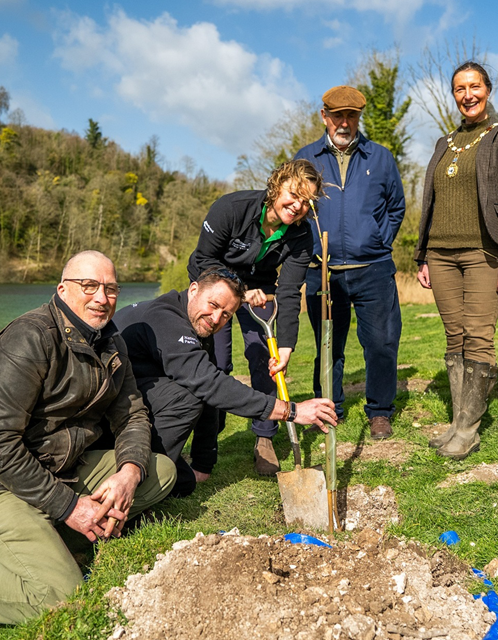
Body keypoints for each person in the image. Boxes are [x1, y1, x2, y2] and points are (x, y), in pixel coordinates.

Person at [0, 251, 177, 638]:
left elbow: (131, 415)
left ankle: (49, 536)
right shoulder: (28, 338)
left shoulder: (111, 343)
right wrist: (69, 506)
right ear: (62, 289)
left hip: (59, 467)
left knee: (160, 472)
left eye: (111, 289)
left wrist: (129, 472)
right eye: (89, 286)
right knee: (59, 594)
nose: (101, 297)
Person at [115, 267, 338, 497]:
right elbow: (208, 385)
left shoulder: (196, 325)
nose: (215, 319)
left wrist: (203, 464)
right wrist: (290, 411)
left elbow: (211, 391)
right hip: (109, 413)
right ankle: (141, 479)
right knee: (188, 397)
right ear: (194, 290)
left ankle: (155, 465)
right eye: (213, 305)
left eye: (226, 315)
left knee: (184, 483)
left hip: (135, 395)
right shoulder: (167, 318)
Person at [414, 61, 498, 460]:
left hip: (484, 253)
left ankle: (467, 429)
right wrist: (422, 255)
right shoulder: (443, 143)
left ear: (487, 90)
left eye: (474, 86)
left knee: (479, 334)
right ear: (454, 95)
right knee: (454, 337)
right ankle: (457, 424)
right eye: (460, 89)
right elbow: (430, 202)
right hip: (440, 254)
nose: (468, 95)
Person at [187, 159, 323, 477]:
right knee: (214, 363)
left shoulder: (301, 237)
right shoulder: (231, 209)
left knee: (264, 358)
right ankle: (206, 432)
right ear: (276, 186)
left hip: (261, 289)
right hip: (214, 280)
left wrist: (286, 346)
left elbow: (289, 292)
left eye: (308, 201)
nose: (298, 205)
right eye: (294, 194)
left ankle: (264, 438)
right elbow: (204, 258)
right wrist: (238, 291)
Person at [294, 85, 406, 440]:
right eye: (337, 115)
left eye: (351, 115)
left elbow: (396, 206)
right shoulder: (305, 158)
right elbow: (293, 208)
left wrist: (378, 239)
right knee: (329, 347)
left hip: (373, 269)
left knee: (382, 344)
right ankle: (329, 408)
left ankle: (380, 412)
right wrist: (309, 250)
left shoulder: (380, 157)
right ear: (324, 116)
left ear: (359, 117)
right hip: (323, 272)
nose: (344, 122)